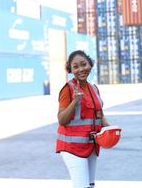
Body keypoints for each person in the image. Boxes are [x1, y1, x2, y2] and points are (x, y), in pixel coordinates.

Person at [56, 50, 109, 188]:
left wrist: (110, 129)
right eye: (76, 66)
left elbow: (99, 115)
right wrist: (74, 101)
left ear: (90, 65)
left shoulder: (94, 89)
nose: (81, 69)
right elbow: (61, 119)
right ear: (71, 70)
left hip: (91, 146)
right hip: (72, 148)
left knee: (90, 186)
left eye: (84, 64)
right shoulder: (68, 89)